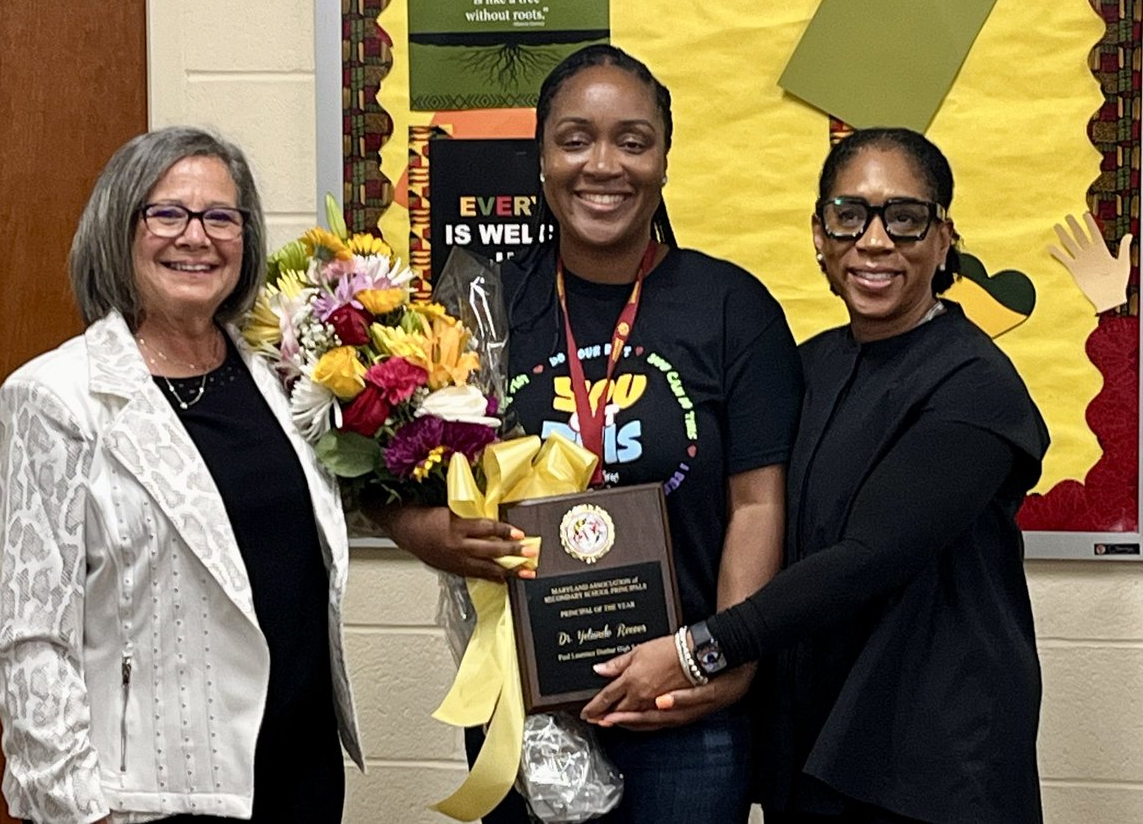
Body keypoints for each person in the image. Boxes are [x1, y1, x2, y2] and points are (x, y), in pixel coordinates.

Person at [379, 44, 803, 821]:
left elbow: (756, 507)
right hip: (525, 706)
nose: (602, 164)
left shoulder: (732, 308)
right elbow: (390, 468)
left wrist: (725, 661)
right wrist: (427, 531)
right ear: (541, 157)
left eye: (632, 141)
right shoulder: (482, 306)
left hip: (682, 708)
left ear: (665, 160)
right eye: (575, 139)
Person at [583, 127, 1050, 824]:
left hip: (931, 758)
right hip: (814, 745)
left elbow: (867, 559)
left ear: (945, 236)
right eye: (849, 215)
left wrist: (697, 650)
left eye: (905, 217)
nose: (875, 240)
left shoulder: (975, 386)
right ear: (819, 235)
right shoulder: (807, 366)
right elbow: (738, 509)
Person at [0, 127, 361, 824]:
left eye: (222, 216)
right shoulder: (55, 397)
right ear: (118, 230)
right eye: (166, 214)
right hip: (151, 797)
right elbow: (30, 640)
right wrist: (78, 810)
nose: (197, 237)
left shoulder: (282, 381)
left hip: (299, 776)